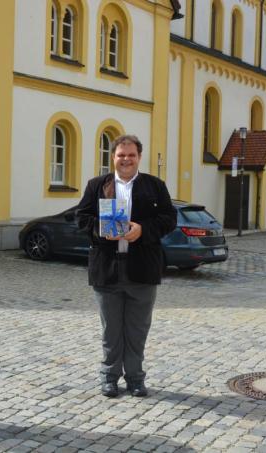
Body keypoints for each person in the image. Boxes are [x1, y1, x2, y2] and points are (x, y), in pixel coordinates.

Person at [76, 135, 176, 398]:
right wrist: (101, 230)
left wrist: (143, 230)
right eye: (121, 155)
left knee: (137, 329)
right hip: (107, 269)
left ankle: (135, 379)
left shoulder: (155, 186)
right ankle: (109, 378)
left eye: (131, 155)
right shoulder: (97, 185)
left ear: (139, 157)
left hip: (142, 269)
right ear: (113, 157)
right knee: (111, 330)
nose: (126, 159)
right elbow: (81, 218)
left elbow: (169, 219)